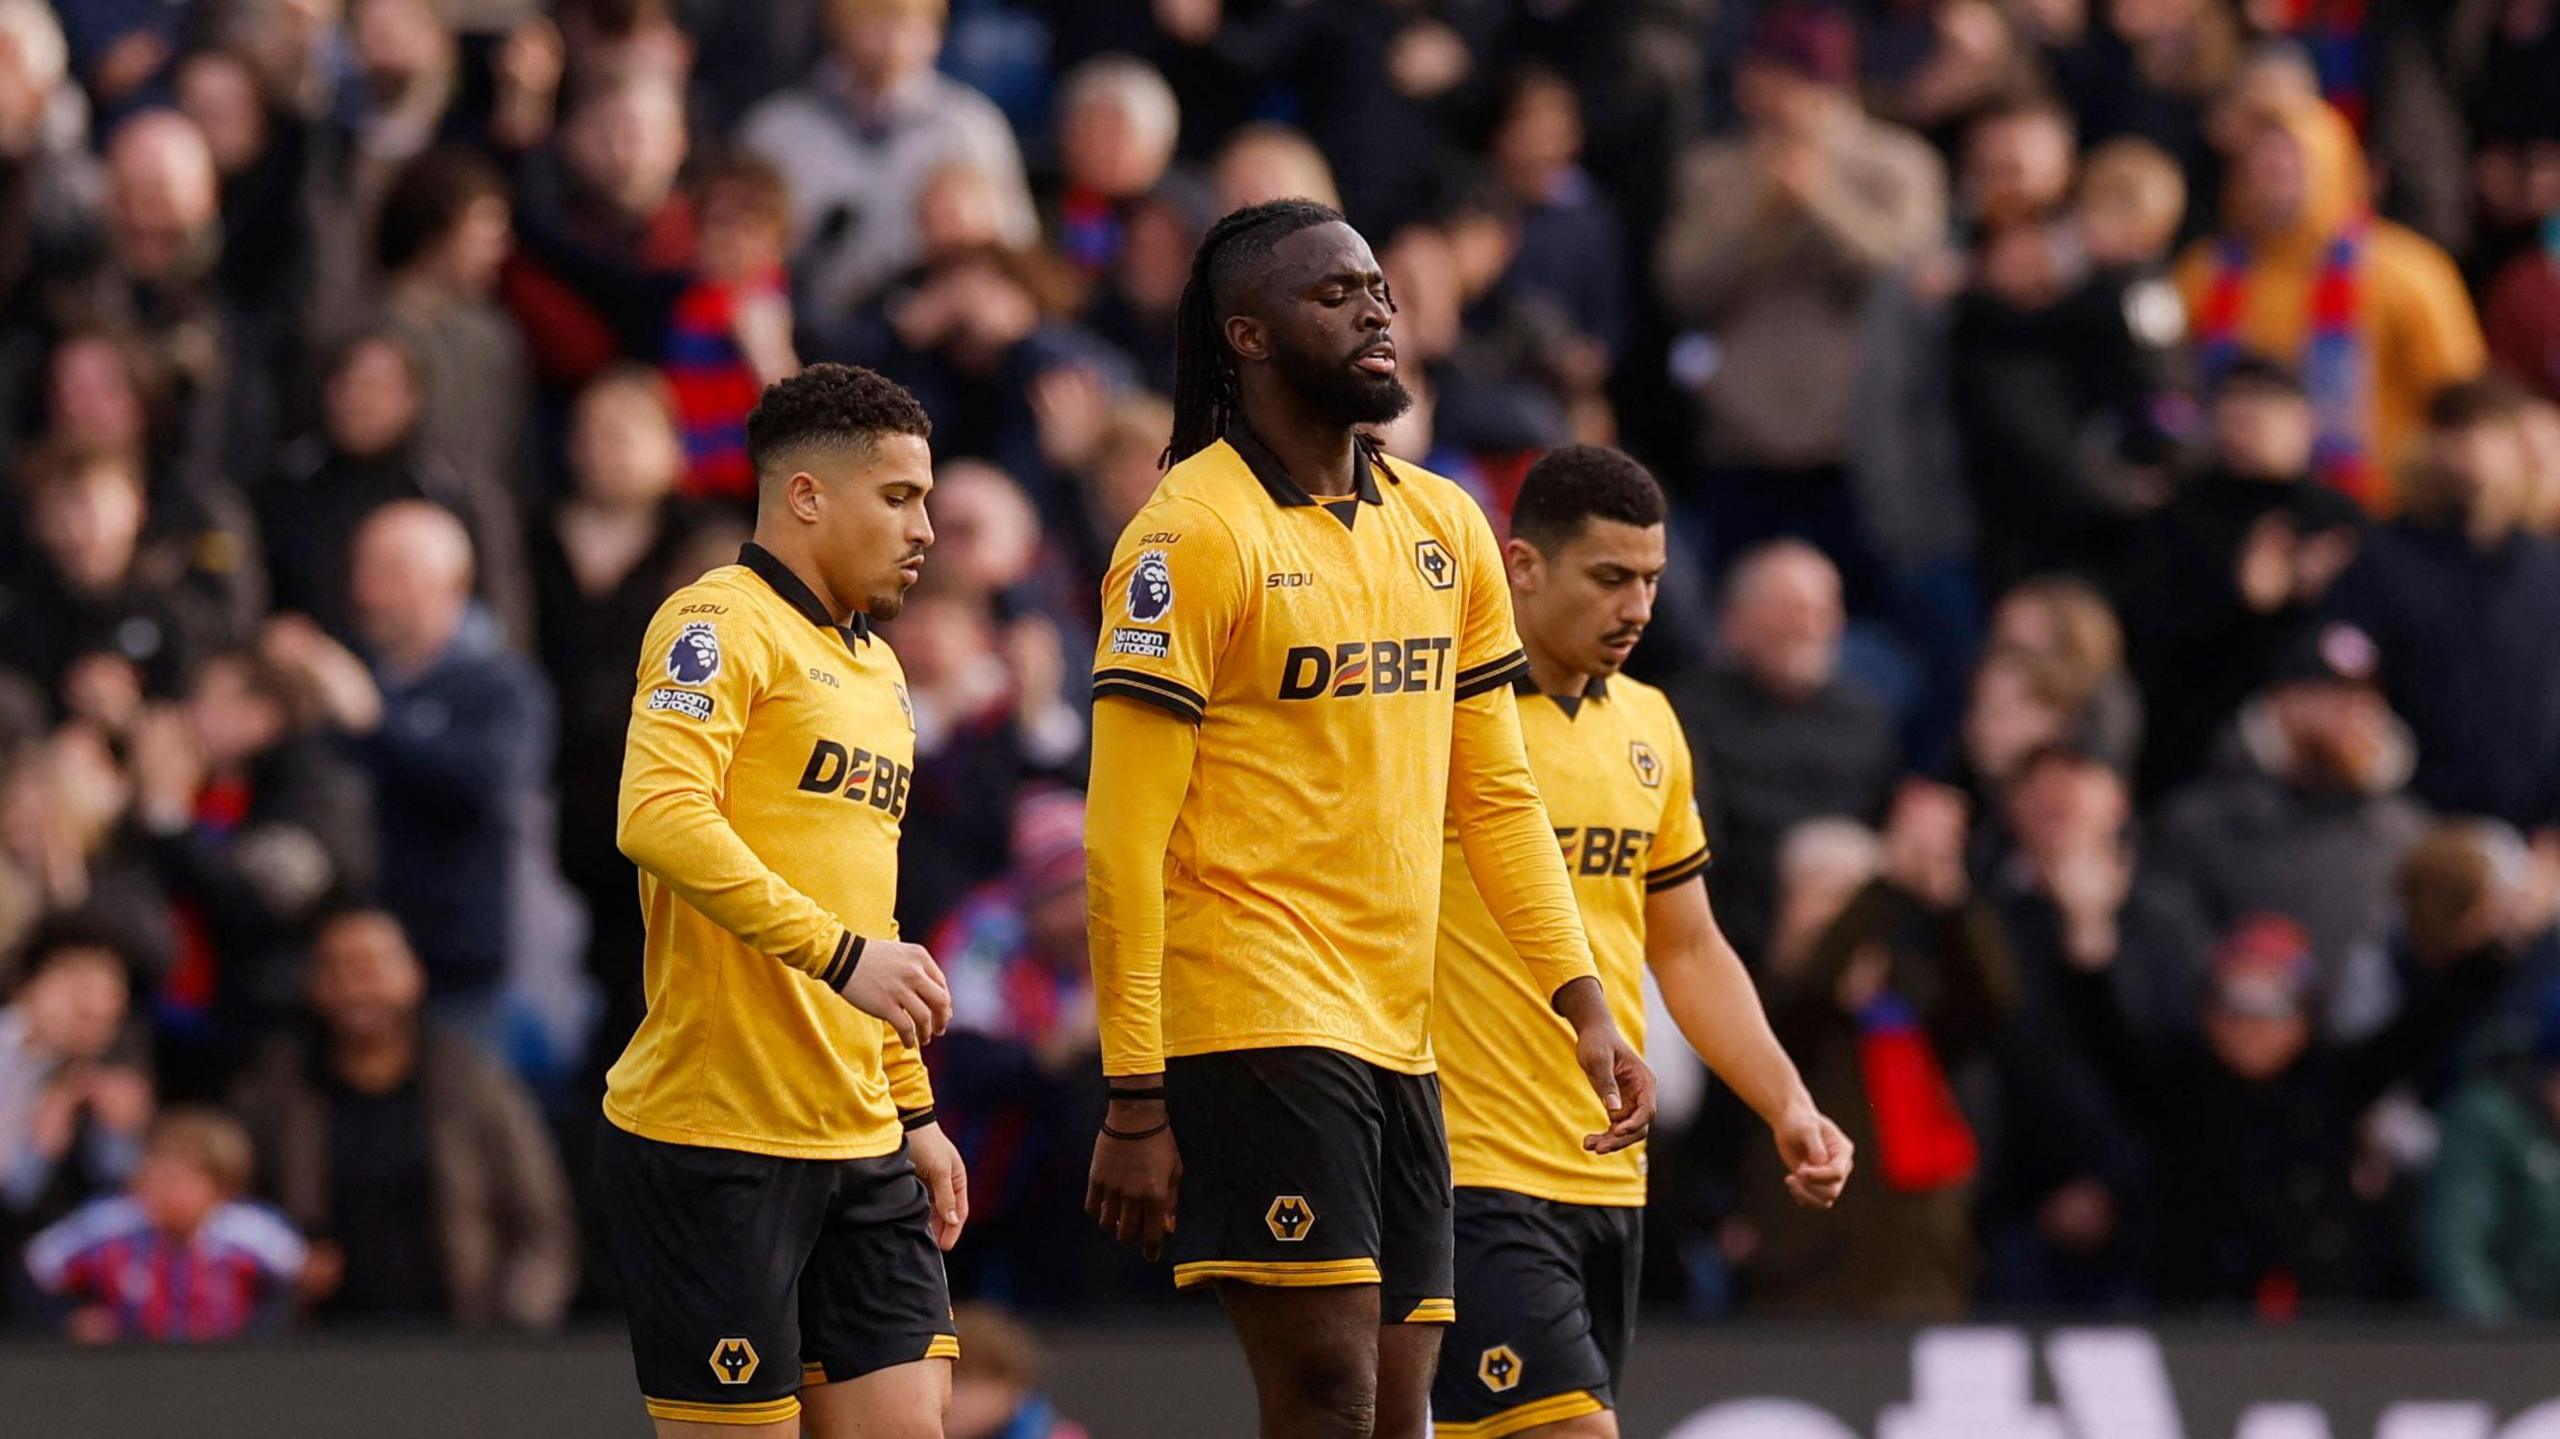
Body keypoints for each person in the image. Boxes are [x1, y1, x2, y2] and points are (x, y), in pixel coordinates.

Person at [1080, 199, 1652, 1439]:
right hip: (1254, 1006)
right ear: (1244, 335)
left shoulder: (1445, 527)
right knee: (1325, 1392)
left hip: (1403, 1031)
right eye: (1332, 293)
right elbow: (1120, 837)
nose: (1376, 307)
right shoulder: (1189, 536)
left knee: (1402, 1416)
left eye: (1380, 287)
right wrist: (1134, 1093)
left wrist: (1583, 996)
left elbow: (1495, 792)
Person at [1429, 445, 1852, 1439]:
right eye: (1609, 577)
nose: (1638, 606)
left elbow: (1689, 946)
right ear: (1522, 564)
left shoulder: (1652, 724)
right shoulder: (1437, 715)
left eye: (1652, 580)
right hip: (1465, 1167)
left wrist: (1784, 1099)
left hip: (1606, 1171)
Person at [596, 364, 969, 1436]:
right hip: (718, 1137)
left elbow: (870, 906)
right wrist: (844, 956)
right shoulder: (715, 620)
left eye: (927, 499)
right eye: (898, 496)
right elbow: (657, 817)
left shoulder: (879, 671)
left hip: (862, 1138)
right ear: (805, 495)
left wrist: (914, 1108)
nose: (926, 528)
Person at [232, 908, 576, 1330]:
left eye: (371, 967)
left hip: (462, 1347)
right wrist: (284, 1269)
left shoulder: (474, 1083)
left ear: (414, 975)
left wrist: (514, 1329)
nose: (355, 985)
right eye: (336, 968)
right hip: (317, 1353)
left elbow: (541, 1224)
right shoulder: (278, 1092)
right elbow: (233, 1217)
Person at [1746, 784, 2017, 1318]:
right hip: (1800, 1280)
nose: (1836, 915)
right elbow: (1809, 996)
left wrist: (1950, 901)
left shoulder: (1910, 1012)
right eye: (1820, 894)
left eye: (1848, 899)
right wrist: (1882, 887)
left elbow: (1995, 999)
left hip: (1918, 1276)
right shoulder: (1755, 1008)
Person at [2176, 93, 2484, 510]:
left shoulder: (2409, 273)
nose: (2270, 172)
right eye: (2259, 159)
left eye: (2289, 158)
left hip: (2378, 512)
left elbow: (2460, 405)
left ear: (2333, 167)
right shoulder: (2203, 273)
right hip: (2227, 510)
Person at [2146, 620, 2426, 1040]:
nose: (2353, 715)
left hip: (2353, 1073)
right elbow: (2170, 951)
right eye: (2330, 694)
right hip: (2214, 1057)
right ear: (2280, 701)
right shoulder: (2200, 822)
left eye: (2366, 698)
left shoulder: (2407, 836)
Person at [2325, 377, 2560, 829]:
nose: (2474, 453)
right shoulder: (2387, 560)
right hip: (2408, 821)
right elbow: (2342, 654)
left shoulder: (2547, 573)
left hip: (2533, 835)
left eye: (2490, 434)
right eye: (2458, 434)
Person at [1665, 541, 1899, 963]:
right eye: (1787, 610)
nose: (1807, 626)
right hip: (1734, 937)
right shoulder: (1685, 716)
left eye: (1821, 610)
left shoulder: (1865, 718)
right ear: (1735, 621)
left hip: (1862, 941)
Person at [742, 0, 1038, 318]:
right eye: (874, 18)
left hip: (927, 337)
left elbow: (1015, 248)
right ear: (839, 24)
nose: (894, 37)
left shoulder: (970, 126)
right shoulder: (779, 128)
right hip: (799, 324)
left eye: (913, 22)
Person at [24, 1106, 306, 1343]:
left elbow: (296, 1289)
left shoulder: (254, 1235)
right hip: (125, 1376)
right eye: (154, 1174)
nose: (159, 1189)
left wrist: (253, 1336)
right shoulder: (109, 1224)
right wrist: (68, 1319)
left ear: (222, 1188)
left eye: (178, 1178)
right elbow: (33, 1271)